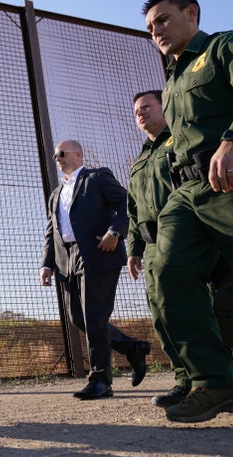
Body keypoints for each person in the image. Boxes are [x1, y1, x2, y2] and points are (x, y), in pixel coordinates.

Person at [142, 0, 233, 422]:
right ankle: (214, 382)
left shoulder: (226, 47)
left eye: (163, 19)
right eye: (149, 26)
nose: (156, 30)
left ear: (192, 14)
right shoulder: (172, 79)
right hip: (188, 192)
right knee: (167, 271)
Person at [127, 90, 233, 408]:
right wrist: (134, 248)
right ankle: (188, 380)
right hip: (155, 246)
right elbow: (133, 209)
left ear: (165, 108)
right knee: (165, 316)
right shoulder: (139, 160)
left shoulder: (181, 143)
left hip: (194, 238)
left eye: (147, 107)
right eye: (136, 110)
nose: (140, 113)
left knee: (228, 316)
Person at [40, 140, 151, 400]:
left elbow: (127, 202)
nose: (58, 158)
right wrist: (46, 263)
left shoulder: (97, 176)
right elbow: (50, 231)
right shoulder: (56, 194)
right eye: (55, 155)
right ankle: (133, 348)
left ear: (78, 155)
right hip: (66, 259)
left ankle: (100, 381)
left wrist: (115, 232)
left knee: (94, 317)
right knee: (78, 318)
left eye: (62, 153)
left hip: (98, 252)